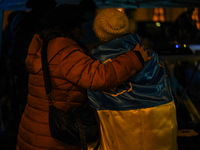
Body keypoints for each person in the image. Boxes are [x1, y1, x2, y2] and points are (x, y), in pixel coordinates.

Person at [15, 4, 150, 150]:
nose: (83, 29)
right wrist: (135, 58)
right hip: (53, 137)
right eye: (80, 25)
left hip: (34, 127)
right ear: (73, 28)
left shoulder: (45, 46)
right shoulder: (65, 52)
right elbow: (99, 77)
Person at [87, 8, 178, 150]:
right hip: (160, 118)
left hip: (119, 120)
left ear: (99, 32)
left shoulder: (96, 65)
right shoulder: (151, 56)